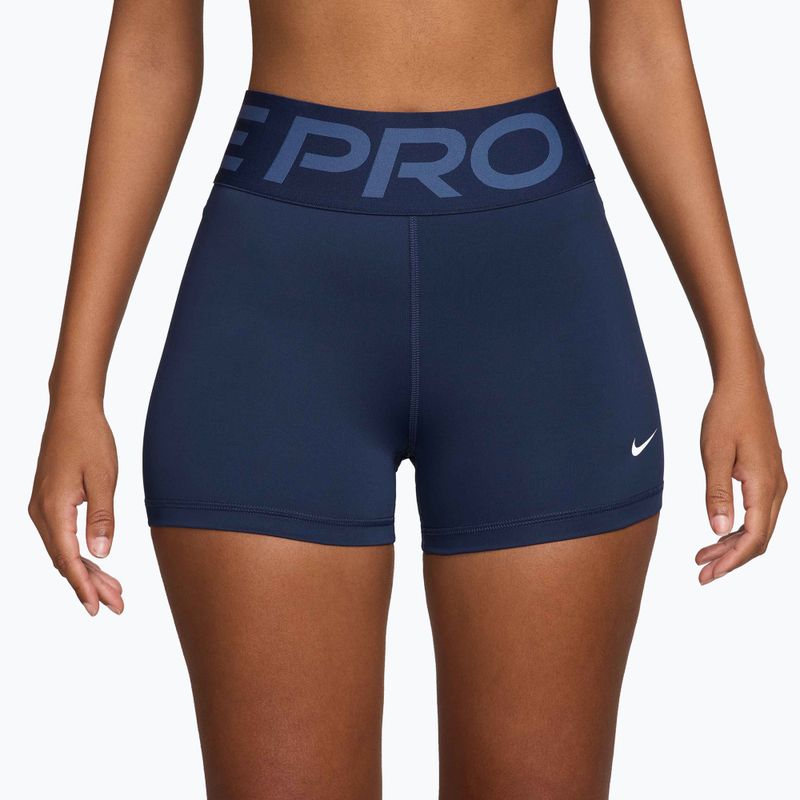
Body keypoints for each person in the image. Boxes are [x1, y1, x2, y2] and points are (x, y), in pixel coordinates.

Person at [29, 1, 787, 797]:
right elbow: (151, 50)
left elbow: (644, 47)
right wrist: (74, 384)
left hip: (537, 323)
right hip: (274, 322)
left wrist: (739, 359)